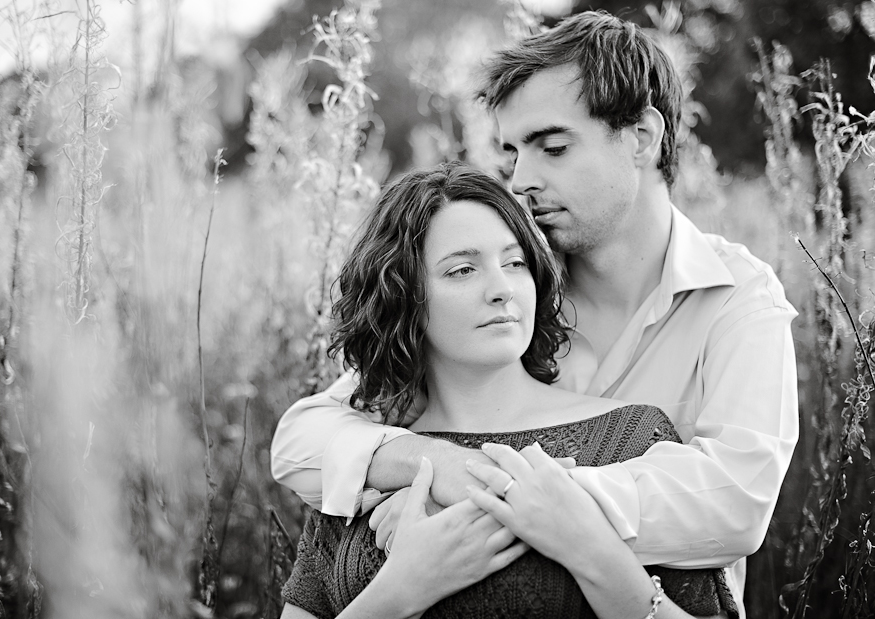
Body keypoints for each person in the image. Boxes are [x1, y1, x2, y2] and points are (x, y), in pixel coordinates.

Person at [272, 11, 799, 618]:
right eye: (513, 152)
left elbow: (734, 507)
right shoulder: (514, 297)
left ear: (641, 138)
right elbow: (303, 440)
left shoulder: (739, 302)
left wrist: (499, 505)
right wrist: (439, 465)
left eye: (552, 147)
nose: (522, 180)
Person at [280, 161, 737, 618]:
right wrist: (402, 590)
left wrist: (591, 550)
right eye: (462, 270)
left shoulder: (631, 439)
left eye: (515, 263)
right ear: (403, 297)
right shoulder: (364, 467)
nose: (502, 289)